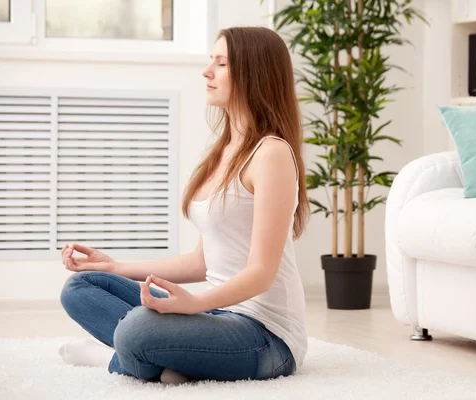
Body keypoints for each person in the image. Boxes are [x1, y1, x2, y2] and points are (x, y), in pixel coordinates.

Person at [58, 26, 310, 385]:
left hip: (265, 336)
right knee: (82, 287)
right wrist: (116, 266)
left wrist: (194, 305)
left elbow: (261, 273)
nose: (207, 72)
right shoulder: (223, 151)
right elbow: (202, 262)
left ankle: (115, 357)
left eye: (220, 64)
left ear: (254, 73)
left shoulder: (271, 154)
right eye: (211, 61)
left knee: (137, 330)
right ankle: (161, 364)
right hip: (218, 315)